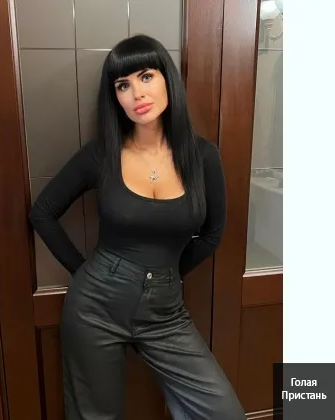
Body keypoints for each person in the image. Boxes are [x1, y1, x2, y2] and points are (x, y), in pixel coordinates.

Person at [29, 34, 245, 420]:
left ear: (167, 79)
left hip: (165, 311)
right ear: (115, 96)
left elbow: (212, 234)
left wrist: (164, 276)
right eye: (122, 85)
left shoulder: (202, 156)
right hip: (94, 307)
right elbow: (42, 212)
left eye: (145, 76)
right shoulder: (101, 154)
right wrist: (86, 273)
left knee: (222, 413)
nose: (136, 94)